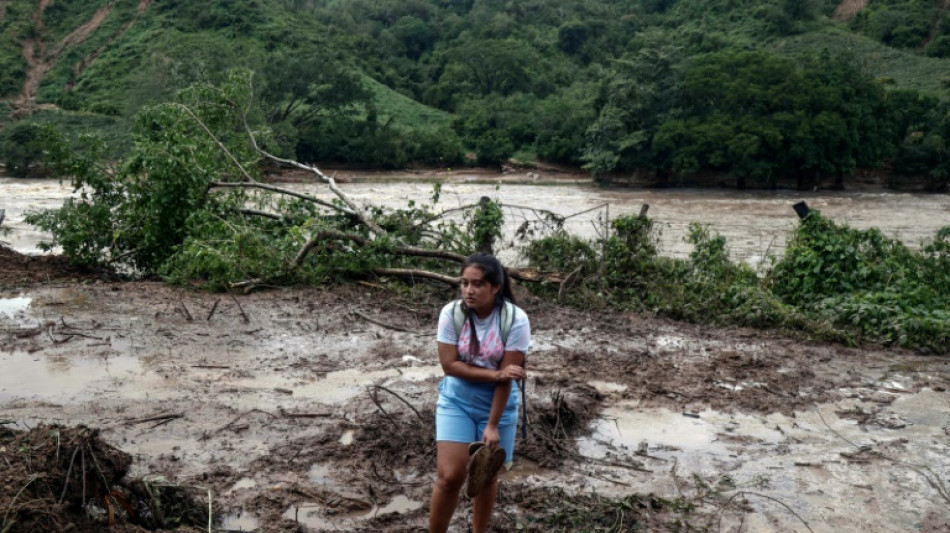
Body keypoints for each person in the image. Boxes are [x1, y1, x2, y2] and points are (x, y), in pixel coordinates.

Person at [429, 253, 530, 533]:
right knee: (450, 476)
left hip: (498, 404)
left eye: (477, 284)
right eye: (464, 283)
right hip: (456, 400)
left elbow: (507, 379)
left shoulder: (515, 320)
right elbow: (450, 365)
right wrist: (495, 373)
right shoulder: (452, 313)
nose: (469, 291)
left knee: (486, 477)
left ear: (495, 287)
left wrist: (493, 424)